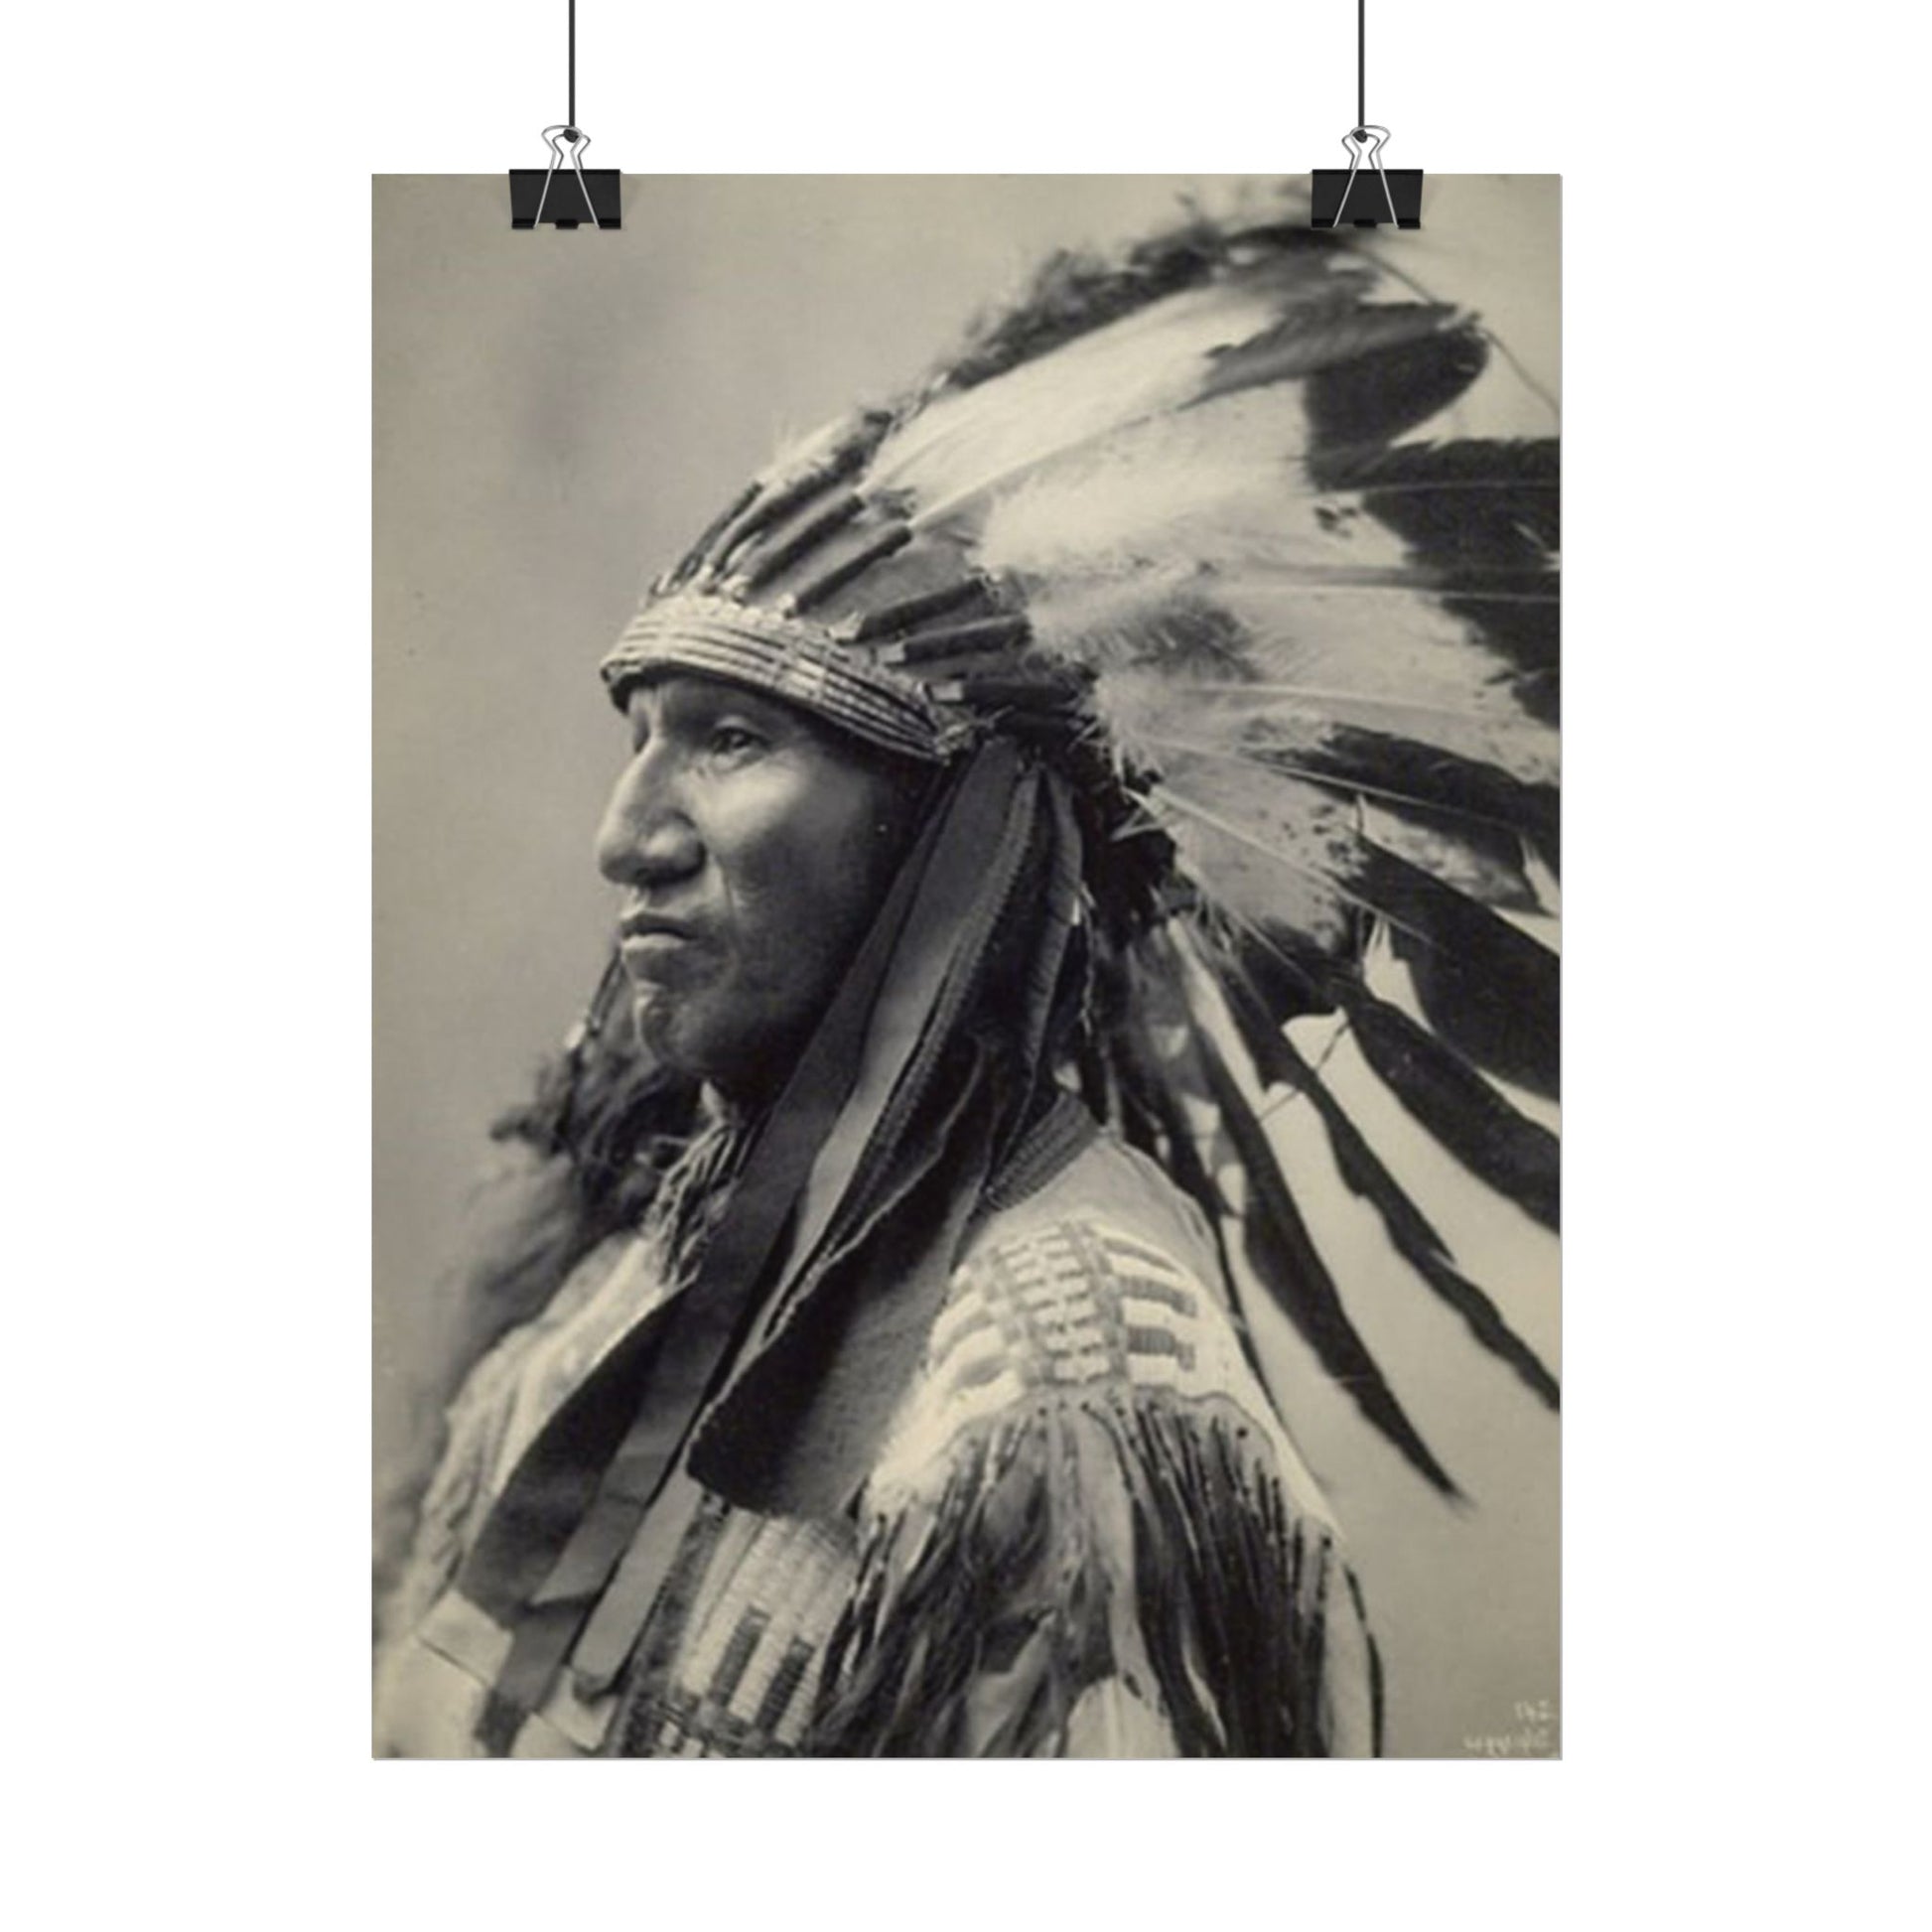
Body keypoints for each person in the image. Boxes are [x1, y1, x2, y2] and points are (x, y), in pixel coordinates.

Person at [374, 189, 1560, 1758]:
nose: (625, 837)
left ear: (950, 841)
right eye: (638, 736)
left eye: (729, 739)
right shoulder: (631, 1263)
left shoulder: (1071, 1391)